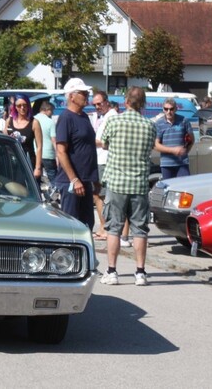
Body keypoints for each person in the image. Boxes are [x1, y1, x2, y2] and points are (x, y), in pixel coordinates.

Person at [98, 87, 157, 286]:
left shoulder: (114, 121)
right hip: (139, 183)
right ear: (144, 104)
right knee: (140, 229)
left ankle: (112, 271)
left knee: (113, 228)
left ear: (126, 102)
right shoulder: (149, 125)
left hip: (116, 182)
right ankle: (140, 272)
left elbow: (104, 144)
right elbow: (150, 148)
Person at [54, 78, 98, 230]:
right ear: (71, 96)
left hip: (85, 181)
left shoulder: (84, 117)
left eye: (87, 93)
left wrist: (94, 179)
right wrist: (74, 179)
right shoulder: (66, 118)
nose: (87, 95)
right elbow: (61, 151)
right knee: (71, 226)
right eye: (83, 93)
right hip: (71, 183)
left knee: (87, 225)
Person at [91, 91, 116, 241]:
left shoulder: (111, 116)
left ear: (107, 102)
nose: (97, 107)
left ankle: (105, 227)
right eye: (95, 105)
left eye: (99, 104)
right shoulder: (105, 117)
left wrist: (89, 141)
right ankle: (103, 226)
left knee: (101, 195)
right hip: (100, 159)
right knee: (98, 195)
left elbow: (107, 141)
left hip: (104, 160)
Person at [3, 94, 42, 181]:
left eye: (25, 105)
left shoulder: (34, 122)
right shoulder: (9, 121)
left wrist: (38, 168)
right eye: (19, 106)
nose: (22, 108)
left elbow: (39, 147)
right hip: (11, 162)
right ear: (15, 107)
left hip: (28, 162)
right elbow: (4, 141)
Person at [154, 97, 193, 179]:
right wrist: (173, 150)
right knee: (169, 188)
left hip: (182, 163)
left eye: (171, 109)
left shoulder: (184, 121)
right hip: (166, 164)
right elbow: (156, 145)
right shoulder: (159, 123)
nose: (169, 112)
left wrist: (186, 150)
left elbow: (191, 139)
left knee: (184, 188)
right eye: (166, 109)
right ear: (163, 109)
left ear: (176, 109)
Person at [35, 101, 57, 183]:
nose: (52, 113)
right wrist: (58, 155)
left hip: (36, 154)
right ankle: (55, 194)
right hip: (48, 154)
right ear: (47, 109)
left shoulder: (34, 119)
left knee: (36, 179)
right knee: (53, 177)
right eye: (52, 111)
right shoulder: (50, 122)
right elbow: (54, 140)